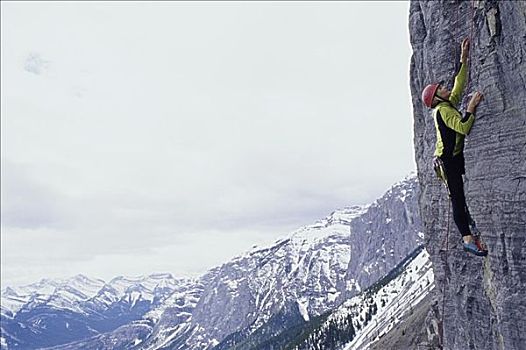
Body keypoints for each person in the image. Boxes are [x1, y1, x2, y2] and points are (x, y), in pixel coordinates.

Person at [421, 38, 487, 257]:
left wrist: (464, 59)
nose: (446, 88)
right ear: (437, 97)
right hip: (447, 161)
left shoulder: (445, 104)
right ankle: (467, 239)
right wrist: (471, 106)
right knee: (457, 197)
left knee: (459, 195)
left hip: (452, 157)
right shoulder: (444, 111)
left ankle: (468, 224)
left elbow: (458, 85)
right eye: (442, 88)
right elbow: (464, 127)